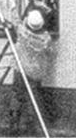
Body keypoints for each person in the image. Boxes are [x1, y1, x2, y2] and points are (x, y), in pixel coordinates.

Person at [6, 9, 55, 137]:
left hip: (20, 69)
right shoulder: (46, 38)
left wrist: (12, 5)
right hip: (36, 72)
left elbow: (15, 21)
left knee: (17, 95)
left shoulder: (23, 32)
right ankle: (30, 128)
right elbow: (50, 52)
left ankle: (14, 125)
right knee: (32, 99)